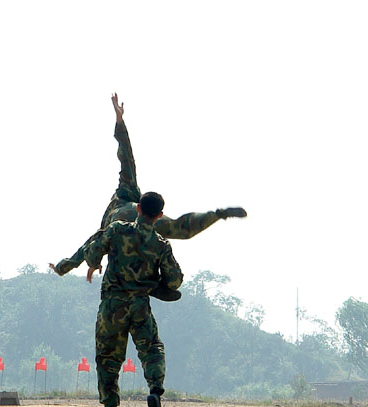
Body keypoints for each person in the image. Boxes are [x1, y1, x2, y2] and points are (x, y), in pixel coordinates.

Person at [49, 93, 246, 300]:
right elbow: (126, 156)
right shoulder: (128, 189)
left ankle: (149, 284)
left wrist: (65, 267)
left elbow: (87, 248)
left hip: (126, 233)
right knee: (180, 229)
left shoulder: (111, 225)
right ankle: (217, 214)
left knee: (130, 257)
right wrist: (119, 121)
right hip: (146, 222)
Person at [84, 191, 182, 407]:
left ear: (138, 209)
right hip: (140, 305)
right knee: (152, 350)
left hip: (111, 306)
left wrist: (94, 262)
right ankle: (155, 392)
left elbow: (92, 252)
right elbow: (175, 281)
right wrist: (156, 284)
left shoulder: (117, 229)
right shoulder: (161, 245)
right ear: (159, 215)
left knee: (107, 358)